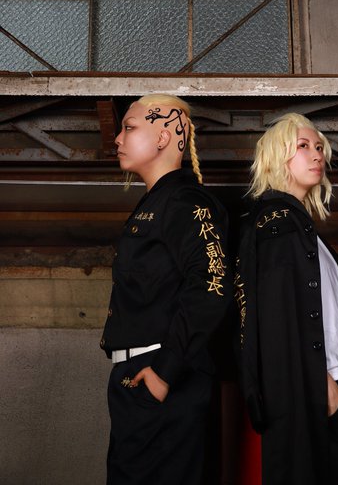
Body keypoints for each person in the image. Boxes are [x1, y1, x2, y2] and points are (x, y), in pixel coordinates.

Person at [235, 112, 338, 485]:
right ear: (277, 157)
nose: (317, 154)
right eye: (303, 146)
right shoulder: (277, 224)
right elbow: (276, 321)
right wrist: (325, 391)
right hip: (329, 398)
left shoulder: (302, 231)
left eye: (319, 147)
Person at [100, 93, 231, 485]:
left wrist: (164, 373)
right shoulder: (156, 203)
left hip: (162, 375)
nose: (117, 139)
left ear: (163, 137)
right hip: (138, 375)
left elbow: (212, 287)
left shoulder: (185, 202)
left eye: (129, 127)